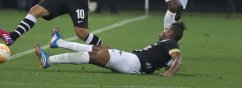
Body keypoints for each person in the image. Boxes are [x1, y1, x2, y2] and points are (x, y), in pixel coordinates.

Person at [35, 21, 185, 77]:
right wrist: (164, 65)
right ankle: (59, 42)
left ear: (171, 33)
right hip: (132, 62)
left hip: (133, 63)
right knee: (99, 48)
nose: (163, 31)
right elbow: (165, 60)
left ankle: (49, 60)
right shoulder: (166, 45)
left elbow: (178, 59)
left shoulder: (171, 43)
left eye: (166, 29)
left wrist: (169, 73)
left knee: (94, 55)